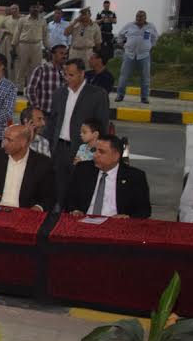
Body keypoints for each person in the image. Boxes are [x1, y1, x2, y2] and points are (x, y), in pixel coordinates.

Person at [46, 57, 110, 206]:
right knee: (58, 186)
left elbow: (102, 124)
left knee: (80, 186)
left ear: (82, 74)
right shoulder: (59, 93)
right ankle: (58, 212)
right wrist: (50, 145)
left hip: (84, 150)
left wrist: (95, 148)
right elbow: (53, 121)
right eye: (65, 75)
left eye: (71, 75)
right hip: (60, 148)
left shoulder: (97, 95)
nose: (67, 78)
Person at [0, 125, 55, 211]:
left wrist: (38, 208)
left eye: (9, 140)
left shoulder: (42, 163)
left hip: (24, 212)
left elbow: (49, 196)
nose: (4, 143)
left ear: (23, 142)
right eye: (4, 139)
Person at [66, 134, 151, 218]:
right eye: (95, 150)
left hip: (115, 223)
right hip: (84, 221)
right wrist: (75, 210)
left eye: (101, 152)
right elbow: (69, 198)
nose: (95, 155)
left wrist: (127, 217)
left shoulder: (134, 176)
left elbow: (144, 211)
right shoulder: (83, 169)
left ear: (116, 156)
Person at [115, 10, 159, 103]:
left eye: (141, 16)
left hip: (144, 55)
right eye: (138, 16)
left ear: (145, 18)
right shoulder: (129, 25)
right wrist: (123, 45)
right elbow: (120, 35)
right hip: (129, 54)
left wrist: (150, 47)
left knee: (145, 77)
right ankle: (120, 95)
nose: (139, 18)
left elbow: (155, 38)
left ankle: (144, 97)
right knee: (124, 76)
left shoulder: (151, 27)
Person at [13, 4, 48, 92]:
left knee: (35, 68)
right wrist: (13, 45)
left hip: (37, 45)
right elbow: (17, 32)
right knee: (22, 67)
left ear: (39, 10)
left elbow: (45, 35)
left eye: (36, 8)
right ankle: (19, 88)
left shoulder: (43, 21)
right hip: (23, 45)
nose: (35, 10)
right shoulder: (23, 20)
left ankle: (31, 88)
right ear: (30, 9)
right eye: (33, 8)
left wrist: (48, 47)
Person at [26, 44, 68, 114]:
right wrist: (37, 108)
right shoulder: (41, 70)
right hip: (44, 113)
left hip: (60, 113)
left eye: (66, 54)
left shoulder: (67, 71)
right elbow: (30, 90)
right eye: (61, 53)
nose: (64, 56)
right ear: (53, 55)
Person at [0, 4, 21, 79]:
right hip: (8, 43)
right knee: (8, 60)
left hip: (19, 43)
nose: (14, 10)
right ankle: (6, 77)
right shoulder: (6, 19)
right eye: (13, 9)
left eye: (16, 8)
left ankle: (17, 79)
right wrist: (5, 31)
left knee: (18, 61)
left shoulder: (22, 19)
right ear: (10, 10)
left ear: (18, 10)